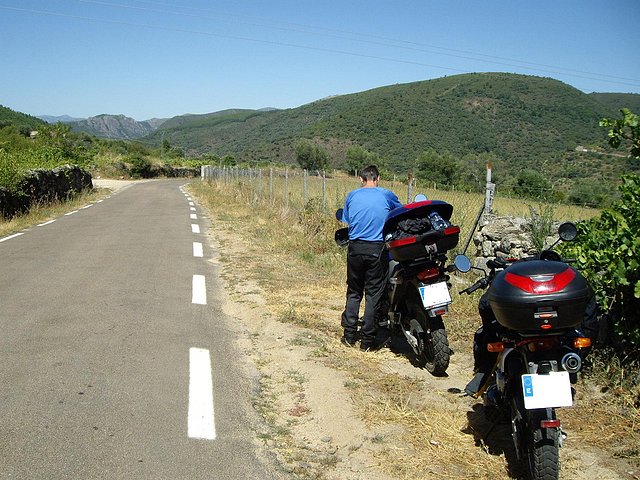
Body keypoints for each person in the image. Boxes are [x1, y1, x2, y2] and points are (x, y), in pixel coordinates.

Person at [340, 165, 403, 351]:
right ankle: (367, 342)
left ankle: (349, 336)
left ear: (361, 179)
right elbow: (399, 213)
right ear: (378, 178)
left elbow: (347, 219)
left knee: (354, 291)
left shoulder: (352, 195)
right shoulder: (386, 194)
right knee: (373, 295)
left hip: (355, 248)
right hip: (376, 249)